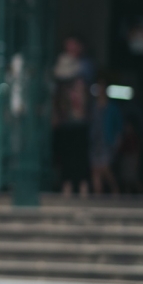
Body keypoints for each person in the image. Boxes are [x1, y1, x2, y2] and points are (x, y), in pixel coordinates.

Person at [52, 37, 93, 196]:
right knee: (66, 153)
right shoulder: (61, 63)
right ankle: (67, 183)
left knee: (80, 153)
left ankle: (82, 184)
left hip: (80, 117)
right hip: (65, 117)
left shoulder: (85, 65)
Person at [89, 84, 122, 195]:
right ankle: (98, 194)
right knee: (95, 169)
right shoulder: (93, 106)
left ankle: (115, 189)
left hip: (106, 141)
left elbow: (119, 125)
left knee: (105, 168)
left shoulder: (112, 107)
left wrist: (117, 140)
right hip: (94, 141)